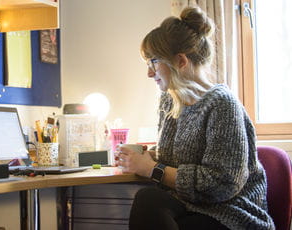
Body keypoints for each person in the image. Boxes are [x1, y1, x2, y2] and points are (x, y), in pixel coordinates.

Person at [115, 6, 275, 230]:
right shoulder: (169, 102)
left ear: (180, 61)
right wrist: (143, 158)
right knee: (148, 199)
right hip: (189, 205)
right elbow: (174, 162)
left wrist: (152, 169)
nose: (149, 73)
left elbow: (221, 185)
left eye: (153, 62)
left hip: (230, 213)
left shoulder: (222, 104)